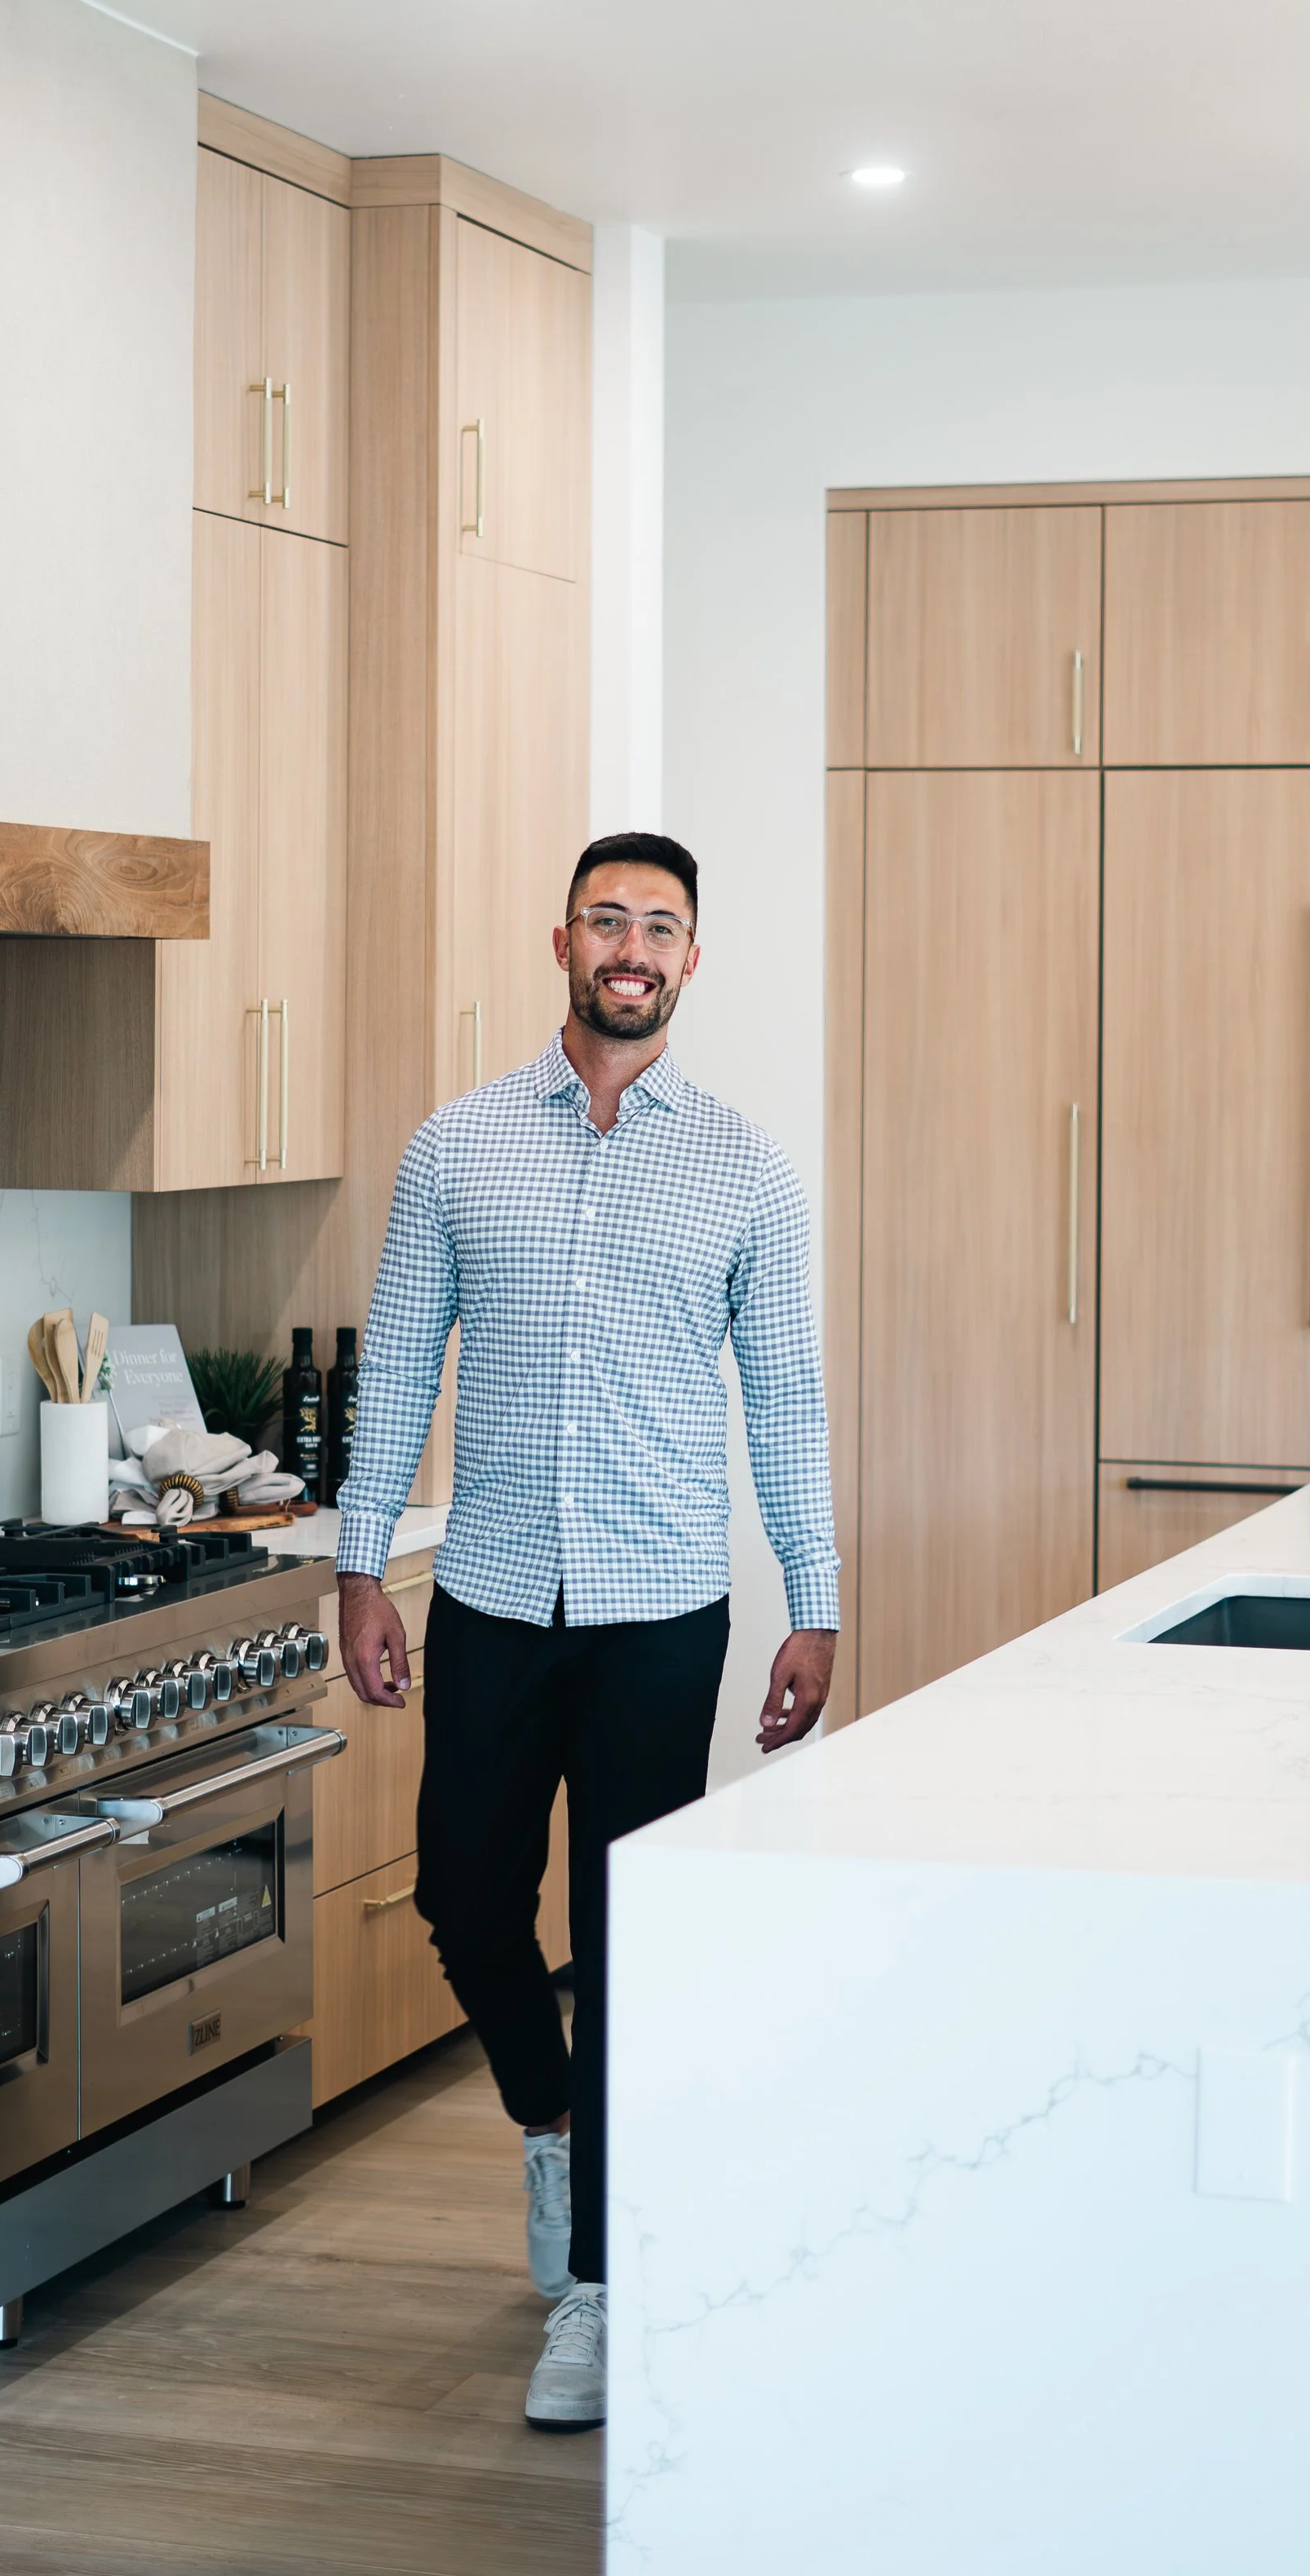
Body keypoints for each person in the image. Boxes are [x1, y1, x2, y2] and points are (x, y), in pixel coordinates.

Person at [333, 831, 839, 2433]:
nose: (631, 945)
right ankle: (548, 2120)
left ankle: (605, 2293)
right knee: (462, 1893)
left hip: (657, 1612)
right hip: (486, 1592)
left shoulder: (745, 1168)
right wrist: (359, 1562)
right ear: (561, 937)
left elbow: (780, 1400)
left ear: (693, 960)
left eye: (661, 925)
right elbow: (399, 1364)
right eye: (608, 917)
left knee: (627, 1941)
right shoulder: (457, 1145)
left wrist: (812, 1600)